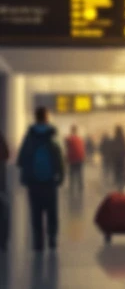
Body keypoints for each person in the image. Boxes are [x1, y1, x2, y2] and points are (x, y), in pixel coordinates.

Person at [17, 106, 65, 251]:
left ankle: (38, 241)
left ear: (36, 117)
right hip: (50, 180)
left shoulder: (29, 136)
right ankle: (52, 238)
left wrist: (25, 175)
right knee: (52, 211)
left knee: (36, 212)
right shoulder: (53, 134)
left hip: (34, 181)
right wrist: (61, 174)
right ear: (46, 117)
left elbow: (21, 159)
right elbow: (60, 157)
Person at [64, 124, 86, 197]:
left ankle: (71, 187)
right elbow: (82, 149)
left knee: (72, 174)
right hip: (80, 158)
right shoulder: (80, 139)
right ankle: (80, 187)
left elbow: (67, 148)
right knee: (79, 173)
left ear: (71, 130)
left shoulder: (69, 139)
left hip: (72, 159)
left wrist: (66, 159)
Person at [109, 125, 125, 190]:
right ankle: (122, 185)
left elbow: (112, 150)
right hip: (122, 159)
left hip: (116, 159)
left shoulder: (115, 139)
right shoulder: (123, 139)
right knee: (122, 172)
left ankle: (118, 185)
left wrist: (112, 158)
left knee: (117, 172)